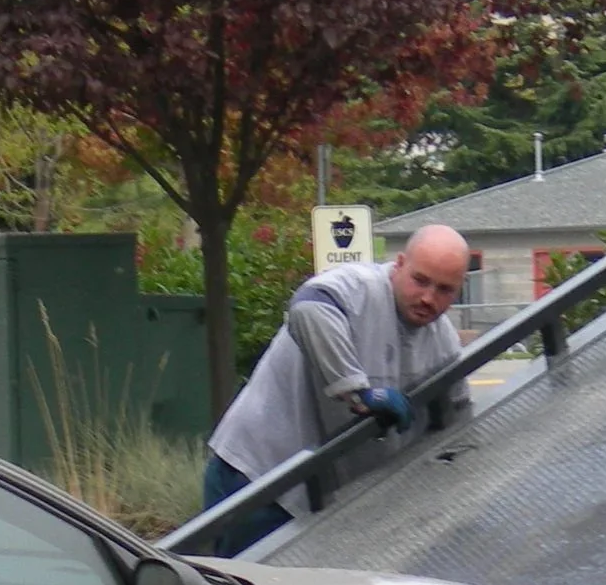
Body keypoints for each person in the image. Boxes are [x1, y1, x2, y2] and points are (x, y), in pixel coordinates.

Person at [202, 225, 473, 556]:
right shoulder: (358, 287)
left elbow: (460, 425)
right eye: (420, 280)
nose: (428, 298)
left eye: (444, 289)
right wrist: (357, 391)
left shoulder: (443, 344)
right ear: (400, 264)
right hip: (259, 476)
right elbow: (309, 307)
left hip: (328, 497)